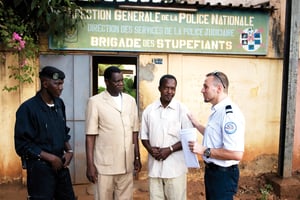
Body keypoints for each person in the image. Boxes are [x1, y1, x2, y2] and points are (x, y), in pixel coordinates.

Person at [14, 66, 76, 200]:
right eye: (57, 84)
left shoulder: (59, 104)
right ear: (45, 83)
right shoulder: (28, 109)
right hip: (39, 170)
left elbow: (63, 131)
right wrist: (50, 158)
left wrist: (69, 151)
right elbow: (22, 145)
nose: (61, 87)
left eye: (62, 83)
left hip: (60, 167)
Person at [85, 66, 141, 200]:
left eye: (122, 80)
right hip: (105, 166)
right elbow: (90, 136)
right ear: (107, 82)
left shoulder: (130, 101)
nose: (121, 84)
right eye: (116, 81)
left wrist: (137, 156)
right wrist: (90, 164)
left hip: (126, 164)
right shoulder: (95, 102)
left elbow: (134, 131)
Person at [188, 71, 245, 200]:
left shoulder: (229, 114)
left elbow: (236, 154)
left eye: (205, 86)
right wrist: (196, 124)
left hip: (223, 175)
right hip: (213, 172)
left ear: (219, 89)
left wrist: (203, 150)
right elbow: (213, 136)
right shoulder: (217, 110)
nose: (202, 90)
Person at [140, 74, 193, 200]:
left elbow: (188, 138)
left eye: (173, 88)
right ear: (159, 88)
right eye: (166, 88)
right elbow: (143, 136)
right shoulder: (149, 110)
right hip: (155, 169)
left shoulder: (182, 110)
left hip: (175, 169)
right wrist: (150, 149)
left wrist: (169, 149)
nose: (170, 92)